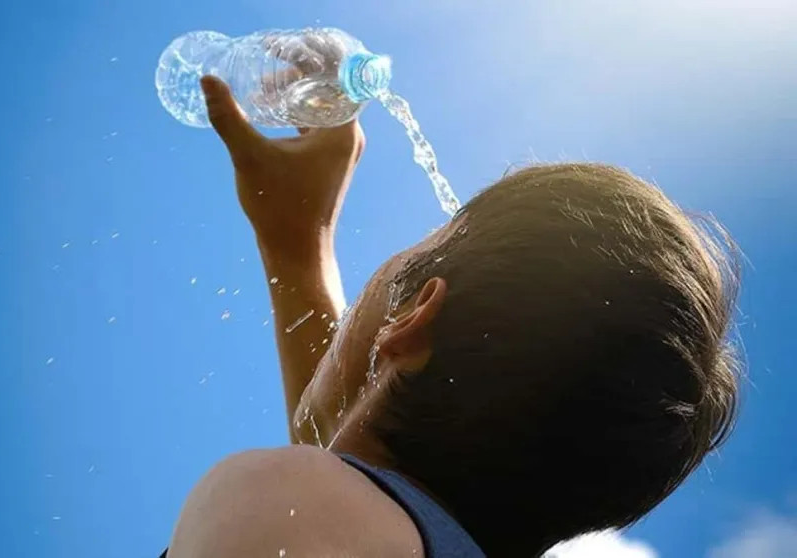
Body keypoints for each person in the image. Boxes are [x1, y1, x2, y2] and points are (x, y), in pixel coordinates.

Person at [162, 76, 741, 558]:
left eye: (411, 253)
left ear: (414, 314)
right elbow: (346, 456)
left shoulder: (291, 499)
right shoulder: (388, 530)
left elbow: (329, 481)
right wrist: (298, 250)